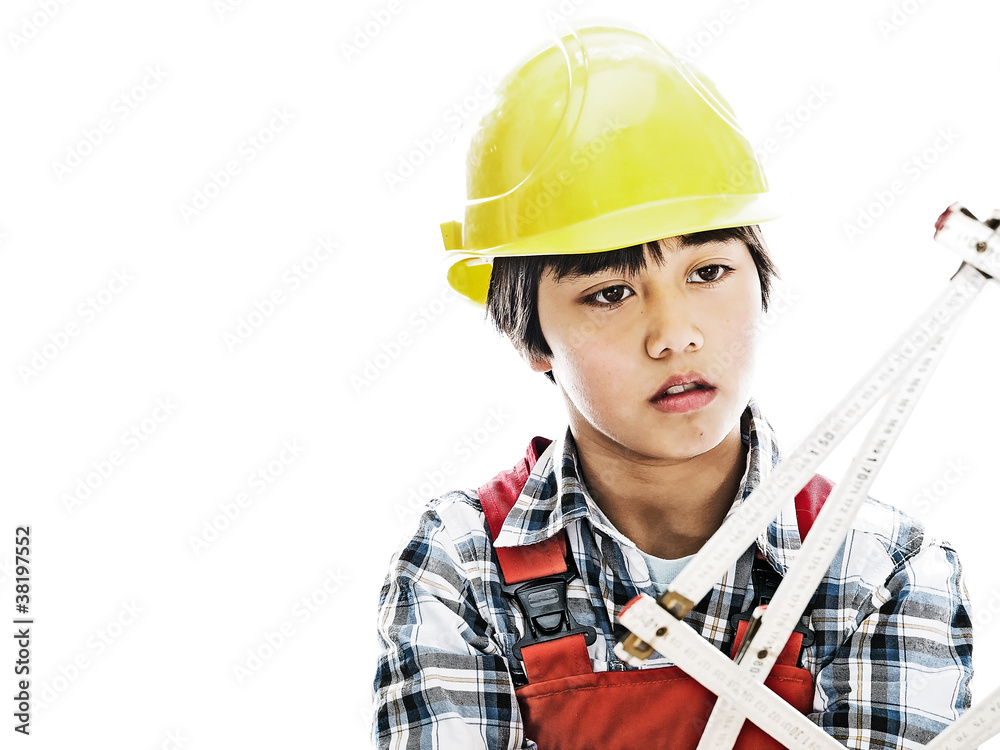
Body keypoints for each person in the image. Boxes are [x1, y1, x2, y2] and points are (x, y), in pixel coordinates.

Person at [372, 24, 973, 749]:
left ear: (760, 281)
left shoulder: (881, 570)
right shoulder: (462, 569)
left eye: (708, 273)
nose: (674, 334)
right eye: (609, 293)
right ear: (531, 338)